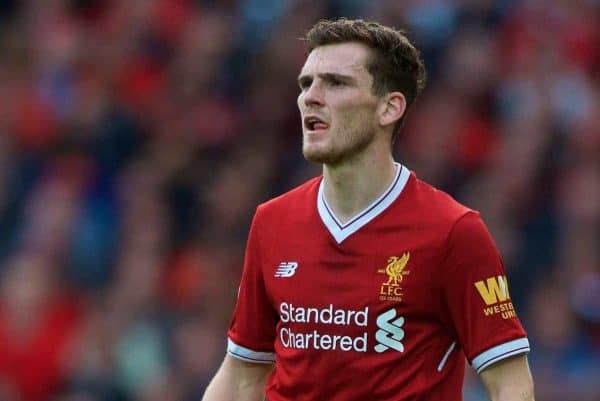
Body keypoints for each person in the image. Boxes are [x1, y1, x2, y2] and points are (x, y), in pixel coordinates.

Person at [202, 18, 535, 401]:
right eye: (306, 83)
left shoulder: (453, 231)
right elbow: (243, 373)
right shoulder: (272, 221)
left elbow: (510, 383)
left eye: (336, 83)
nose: (311, 96)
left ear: (389, 108)